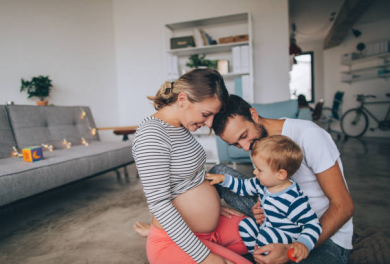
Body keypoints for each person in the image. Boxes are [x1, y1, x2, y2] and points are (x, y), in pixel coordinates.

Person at [209, 94, 354, 264]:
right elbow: (266, 185)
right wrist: (259, 204)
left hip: (322, 235)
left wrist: (293, 249)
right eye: (236, 144)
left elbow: (344, 206)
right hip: (279, 222)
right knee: (217, 173)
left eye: (243, 136)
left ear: (254, 115)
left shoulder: (309, 135)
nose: (245, 147)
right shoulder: (255, 142)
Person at [132, 69, 251, 264]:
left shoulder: (179, 125)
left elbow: (187, 179)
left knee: (264, 237)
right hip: (174, 240)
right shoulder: (152, 136)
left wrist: (210, 207)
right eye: (206, 114)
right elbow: (160, 205)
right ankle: (156, 239)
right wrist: (206, 257)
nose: (210, 123)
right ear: (182, 100)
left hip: (206, 228)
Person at [206, 135, 322, 263]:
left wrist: (303, 243)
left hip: (285, 238)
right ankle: (258, 256)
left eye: (260, 170)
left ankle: (264, 255)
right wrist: (223, 179)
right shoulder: (262, 183)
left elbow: (313, 224)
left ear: (281, 174)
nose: (255, 173)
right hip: (266, 228)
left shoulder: (293, 199)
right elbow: (243, 186)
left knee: (266, 236)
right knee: (245, 225)